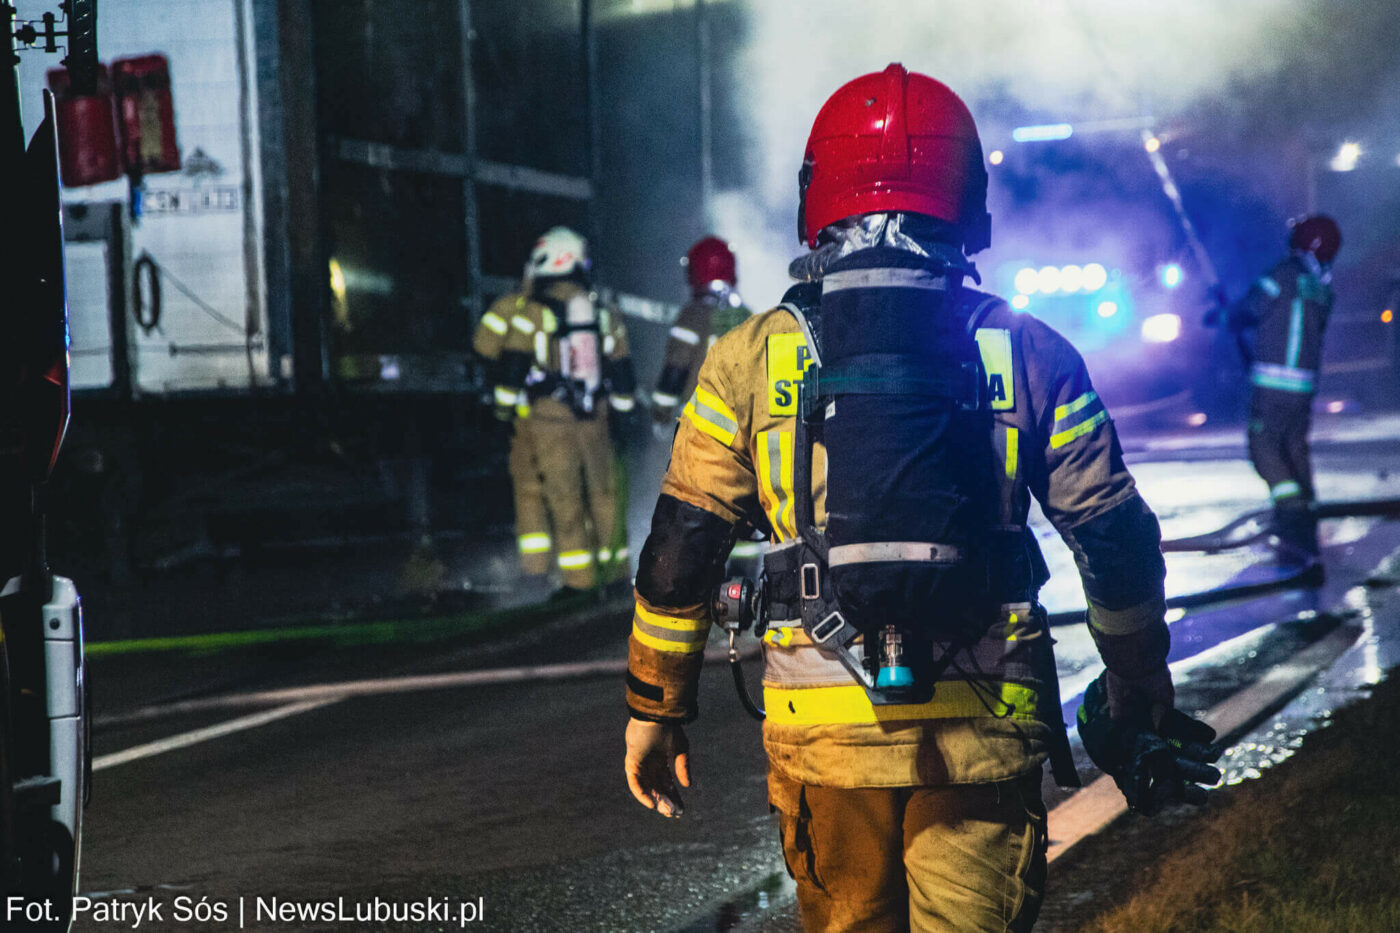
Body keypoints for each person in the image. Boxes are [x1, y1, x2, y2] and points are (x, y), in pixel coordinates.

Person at [622, 64, 1216, 931]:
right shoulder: (1030, 349)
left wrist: (655, 708)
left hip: (822, 729)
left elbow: (682, 548)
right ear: (968, 198)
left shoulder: (749, 358)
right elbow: (1113, 537)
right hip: (986, 727)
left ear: (817, 191)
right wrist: (1137, 688)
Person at [478, 226, 636, 595]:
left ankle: (577, 582)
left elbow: (513, 367)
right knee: (604, 494)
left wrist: (500, 414)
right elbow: (623, 371)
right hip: (594, 418)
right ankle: (616, 576)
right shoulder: (603, 311)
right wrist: (623, 417)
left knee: (565, 498)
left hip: (549, 420)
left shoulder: (532, 312)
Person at [1219, 215, 1340, 560]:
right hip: (1303, 386)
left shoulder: (1282, 275)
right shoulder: (1322, 288)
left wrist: (1224, 315)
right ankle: (1307, 516)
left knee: (1264, 448)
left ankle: (1292, 516)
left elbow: (1251, 307)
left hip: (1273, 385)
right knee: (1294, 449)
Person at [650, 235, 753, 433]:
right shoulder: (746, 316)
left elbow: (676, 368)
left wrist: (660, 415)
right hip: (744, 429)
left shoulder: (692, 316)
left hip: (702, 427)